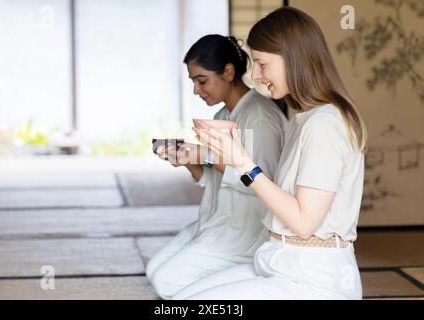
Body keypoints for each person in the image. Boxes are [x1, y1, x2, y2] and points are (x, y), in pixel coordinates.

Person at [176, 7, 368, 300]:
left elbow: (304, 223)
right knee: (182, 298)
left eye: (262, 64)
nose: (254, 75)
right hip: (281, 262)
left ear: (293, 58)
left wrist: (242, 163)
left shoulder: (325, 124)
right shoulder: (305, 117)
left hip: (314, 279)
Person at [146, 34, 288, 299]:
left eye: (202, 80)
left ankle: (252, 274)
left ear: (228, 72)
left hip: (246, 232)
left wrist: (205, 154)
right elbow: (212, 180)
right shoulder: (221, 116)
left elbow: (264, 180)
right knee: (154, 271)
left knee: (166, 283)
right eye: (193, 82)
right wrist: (188, 159)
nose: (196, 90)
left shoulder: (260, 116)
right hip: (217, 223)